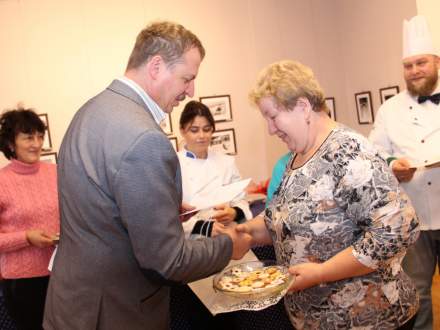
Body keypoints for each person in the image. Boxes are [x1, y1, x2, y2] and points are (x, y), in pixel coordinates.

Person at [43, 21, 252, 330]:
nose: (190, 91)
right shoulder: (145, 138)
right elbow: (167, 261)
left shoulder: (90, 110)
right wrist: (227, 247)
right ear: (156, 66)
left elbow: (104, 211)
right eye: (187, 78)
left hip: (74, 306)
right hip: (116, 312)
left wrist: (164, 212)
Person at [239, 59, 420, 329]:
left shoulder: (348, 152)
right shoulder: (298, 156)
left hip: (369, 319)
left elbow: (397, 230)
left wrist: (322, 272)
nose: (270, 129)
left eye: (273, 116)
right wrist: (244, 233)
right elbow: (284, 219)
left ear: (302, 106)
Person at [369, 15, 440, 330]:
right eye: (408, 65)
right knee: (418, 293)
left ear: (437, 61)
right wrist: (391, 164)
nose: (414, 71)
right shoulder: (389, 109)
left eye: (421, 62)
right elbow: (374, 154)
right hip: (413, 218)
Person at [0, 108, 59, 330]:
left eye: (39, 136)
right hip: (23, 283)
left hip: (62, 274)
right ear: (11, 143)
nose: (36, 143)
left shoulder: (55, 172)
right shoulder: (2, 182)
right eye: (28, 137)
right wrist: (26, 237)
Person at [178, 100, 252, 238]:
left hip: (227, 235)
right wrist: (202, 227)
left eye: (207, 129)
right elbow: (167, 214)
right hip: (192, 241)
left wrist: (233, 212)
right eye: (194, 130)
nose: (202, 136)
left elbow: (241, 200)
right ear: (183, 130)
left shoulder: (226, 162)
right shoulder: (173, 165)